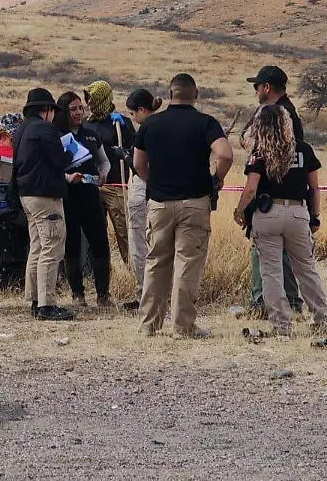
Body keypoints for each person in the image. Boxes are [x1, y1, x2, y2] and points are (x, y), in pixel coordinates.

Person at [133, 73, 232, 339]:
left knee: (156, 263)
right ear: (195, 94)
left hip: (159, 203)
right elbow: (225, 154)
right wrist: (217, 179)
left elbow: (138, 164)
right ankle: (183, 326)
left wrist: (156, 182)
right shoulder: (205, 123)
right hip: (194, 203)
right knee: (187, 263)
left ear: (169, 94)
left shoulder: (150, 125)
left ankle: (148, 325)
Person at [232, 104, 326, 337]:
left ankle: (281, 326)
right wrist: (314, 217)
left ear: (260, 126)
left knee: (271, 272)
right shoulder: (304, 150)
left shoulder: (259, 153)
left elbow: (251, 188)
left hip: (267, 214)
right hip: (297, 213)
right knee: (306, 269)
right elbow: (314, 188)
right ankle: (322, 319)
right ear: (286, 123)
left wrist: (240, 211)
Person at [10, 88, 77, 322]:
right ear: (47, 110)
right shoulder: (45, 129)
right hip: (45, 195)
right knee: (52, 247)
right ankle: (47, 305)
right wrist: (70, 153)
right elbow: (58, 161)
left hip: (26, 195)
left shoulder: (21, 130)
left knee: (37, 246)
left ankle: (35, 299)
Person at [242, 66, 303, 316]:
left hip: (270, 197)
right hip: (292, 197)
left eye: (257, 86)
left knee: (264, 253)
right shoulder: (291, 114)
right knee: (288, 254)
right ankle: (292, 303)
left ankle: (262, 304)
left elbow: (250, 141)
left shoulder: (271, 114)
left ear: (266, 87)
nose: (255, 90)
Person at [54, 92, 115, 308]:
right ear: (63, 111)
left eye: (80, 108)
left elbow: (104, 162)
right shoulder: (54, 135)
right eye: (73, 109)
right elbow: (49, 168)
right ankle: (77, 294)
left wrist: (103, 174)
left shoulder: (91, 135)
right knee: (71, 245)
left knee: (99, 242)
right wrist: (67, 177)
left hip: (90, 194)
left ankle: (103, 295)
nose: (78, 112)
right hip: (68, 196)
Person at [84, 81, 135, 267]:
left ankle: (136, 273)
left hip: (116, 184)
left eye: (93, 98)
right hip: (92, 184)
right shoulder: (86, 125)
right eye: (88, 99)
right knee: (95, 232)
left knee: (124, 232)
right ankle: (97, 274)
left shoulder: (119, 123)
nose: (90, 103)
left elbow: (134, 149)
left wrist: (126, 129)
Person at [122, 88, 163, 311]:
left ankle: (144, 294)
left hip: (144, 186)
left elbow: (140, 165)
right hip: (165, 192)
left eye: (132, 113)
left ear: (141, 110)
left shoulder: (145, 129)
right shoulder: (165, 125)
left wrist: (128, 157)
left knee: (139, 245)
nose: (132, 118)